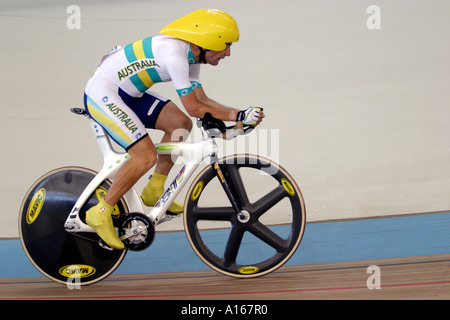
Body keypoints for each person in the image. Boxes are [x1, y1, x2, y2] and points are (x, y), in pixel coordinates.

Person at [83, 9, 265, 250]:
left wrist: (239, 114)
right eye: (226, 45)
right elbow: (194, 107)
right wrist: (238, 115)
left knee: (180, 125)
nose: (228, 53)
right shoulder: (175, 55)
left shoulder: (191, 55)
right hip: (104, 95)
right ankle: (101, 210)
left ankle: (154, 188)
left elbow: (202, 99)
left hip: (128, 95)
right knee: (145, 155)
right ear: (207, 42)